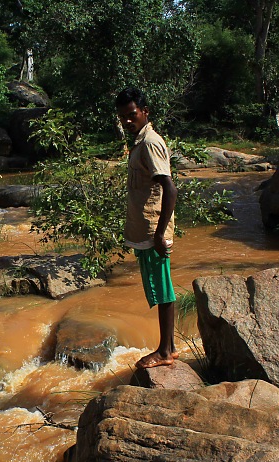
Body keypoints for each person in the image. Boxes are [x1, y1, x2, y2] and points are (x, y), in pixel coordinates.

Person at [115, 87, 178, 369]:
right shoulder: (140, 142)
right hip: (145, 229)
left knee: (162, 288)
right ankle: (170, 347)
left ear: (144, 112)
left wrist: (161, 233)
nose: (128, 121)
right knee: (158, 286)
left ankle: (165, 352)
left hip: (154, 230)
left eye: (132, 115)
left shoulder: (150, 143)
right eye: (123, 118)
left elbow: (170, 188)